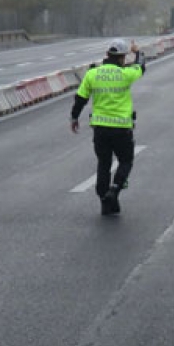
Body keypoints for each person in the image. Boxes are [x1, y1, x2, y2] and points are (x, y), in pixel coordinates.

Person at [70, 38, 146, 216]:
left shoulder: (92, 74)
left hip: (100, 129)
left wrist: (74, 117)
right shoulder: (126, 73)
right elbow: (141, 66)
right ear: (122, 57)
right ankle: (115, 189)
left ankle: (105, 200)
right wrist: (138, 52)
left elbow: (80, 98)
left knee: (103, 163)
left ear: (107, 55)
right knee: (125, 161)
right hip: (122, 129)